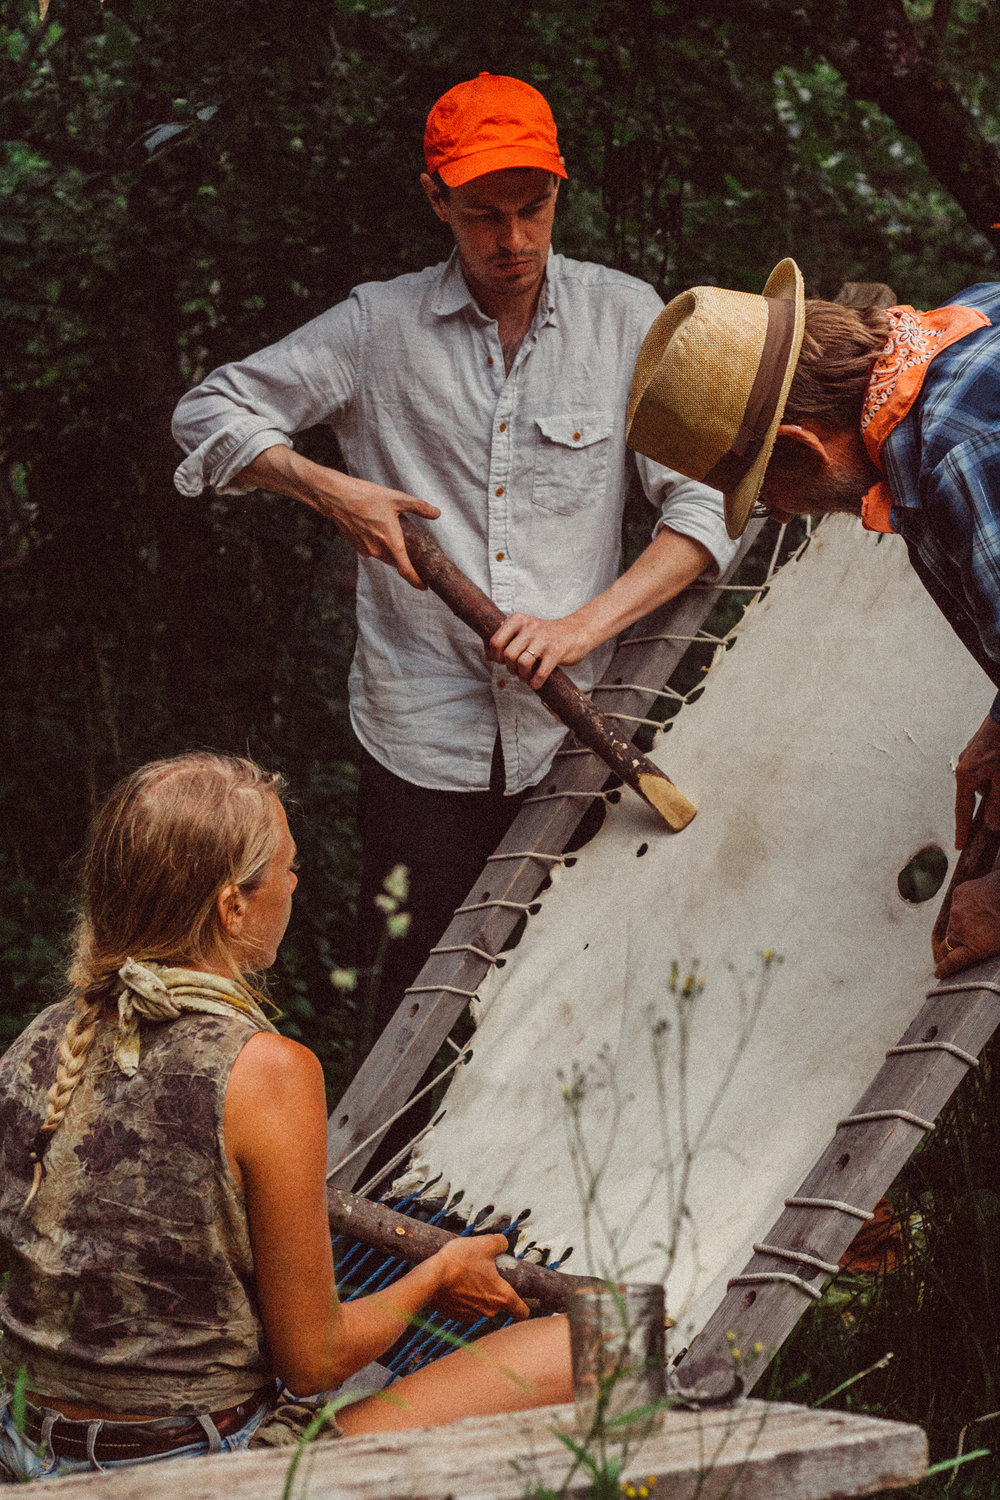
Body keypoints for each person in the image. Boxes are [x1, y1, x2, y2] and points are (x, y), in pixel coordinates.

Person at [171, 72, 734, 1053]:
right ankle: (382, 1199)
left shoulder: (622, 318)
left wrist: (577, 629)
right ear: (436, 201)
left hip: (578, 744)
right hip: (415, 748)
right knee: (408, 1018)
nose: (512, 241)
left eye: (533, 209)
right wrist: (326, 488)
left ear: (560, 194)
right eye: (482, 216)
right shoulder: (375, 327)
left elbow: (704, 501)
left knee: (571, 1017)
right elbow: (208, 411)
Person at [0, 752, 571, 1480]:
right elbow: (314, 1361)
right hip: (196, 1467)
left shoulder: (41, 1041)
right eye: (288, 869)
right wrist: (438, 1273)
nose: (296, 885)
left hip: (25, 1446)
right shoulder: (266, 1070)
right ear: (232, 906)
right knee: (593, 1349)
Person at [625, 256, 1000, 980]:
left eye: (768, 497)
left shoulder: (959, 457)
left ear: (801, 446)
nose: (785, 513)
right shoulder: (971, 321)